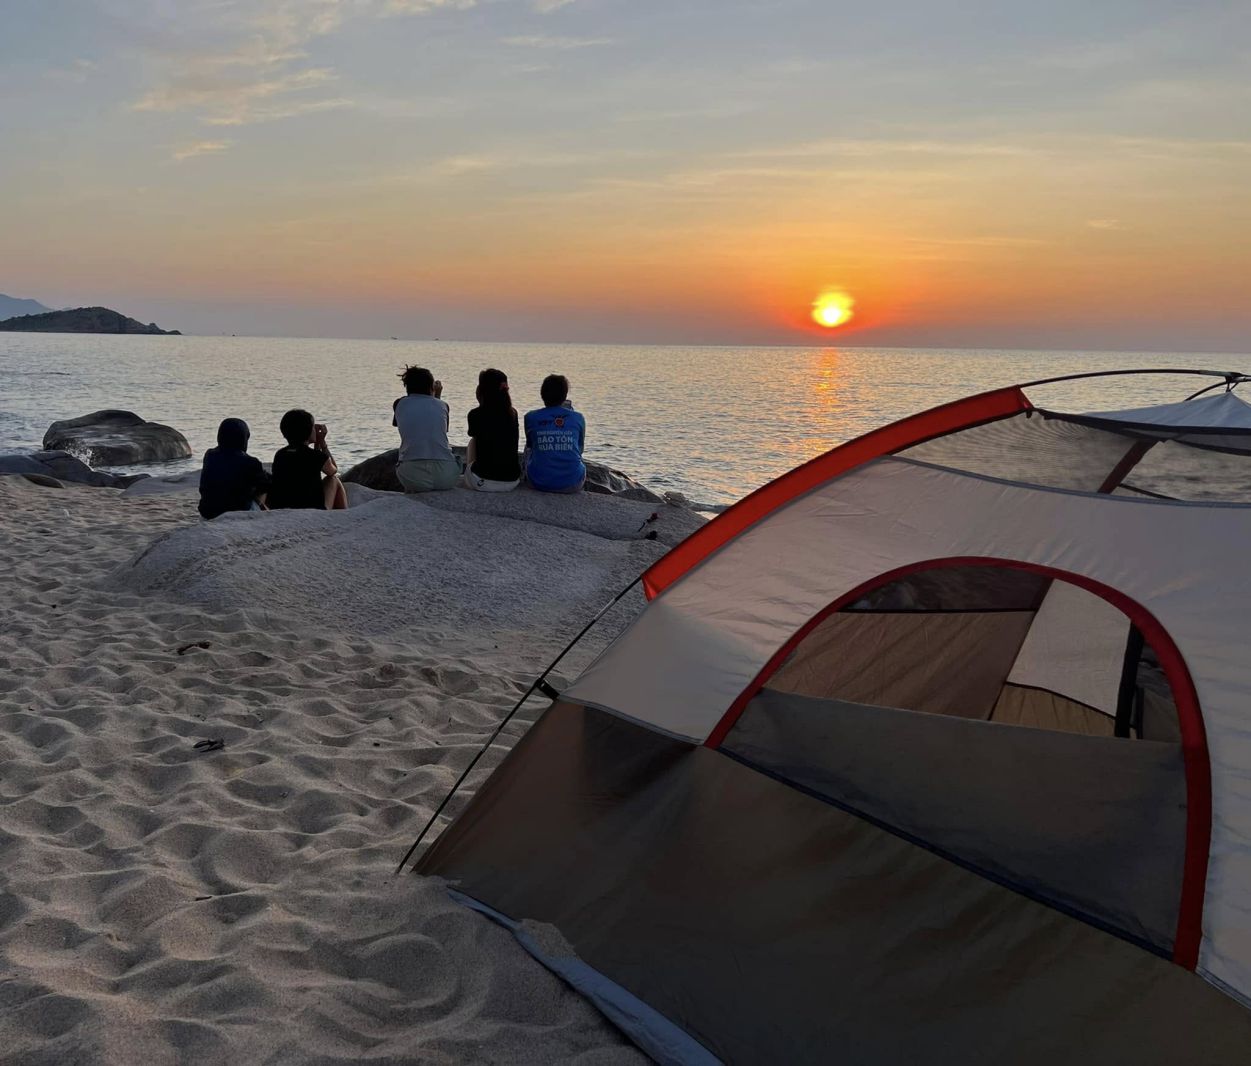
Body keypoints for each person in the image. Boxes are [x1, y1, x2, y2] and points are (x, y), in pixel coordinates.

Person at [393, 366, 460, 492]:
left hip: (412, 476)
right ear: (431, 388)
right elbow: (438, 428)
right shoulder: (443, 405)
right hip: (446, 477)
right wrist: (437, 396)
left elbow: (406, 424)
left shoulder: (399, 403)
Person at [268, 408, 347, 511]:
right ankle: (345, 516)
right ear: (308, 432)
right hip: (312, 509)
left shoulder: (280, 454)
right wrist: (322, 443)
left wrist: (317, 444)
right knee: (333, 480)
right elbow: (333, 470)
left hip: (282, 506)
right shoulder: (316, 456)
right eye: (313, 427)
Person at [524, 374, 586, 493]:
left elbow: (531, 446)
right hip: (573, 484)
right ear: (565, 395)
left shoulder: (530, 417)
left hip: (538, 482)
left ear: (542, 394)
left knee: (530, 444)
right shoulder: (578, 417)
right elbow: (580, 449)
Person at [198, 417, 270, 519]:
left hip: (207, 513)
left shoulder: (209, 455)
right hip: (238, 513)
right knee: (262, 489)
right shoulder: (251, 462)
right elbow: (264, 485)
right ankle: (262, 511)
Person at [464, 368, 521, 492]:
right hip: (512, 481)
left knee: (472, 441)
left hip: (485, 482)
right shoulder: (513, 413)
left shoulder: (475, 414)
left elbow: (478, 434)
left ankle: (473, 472)